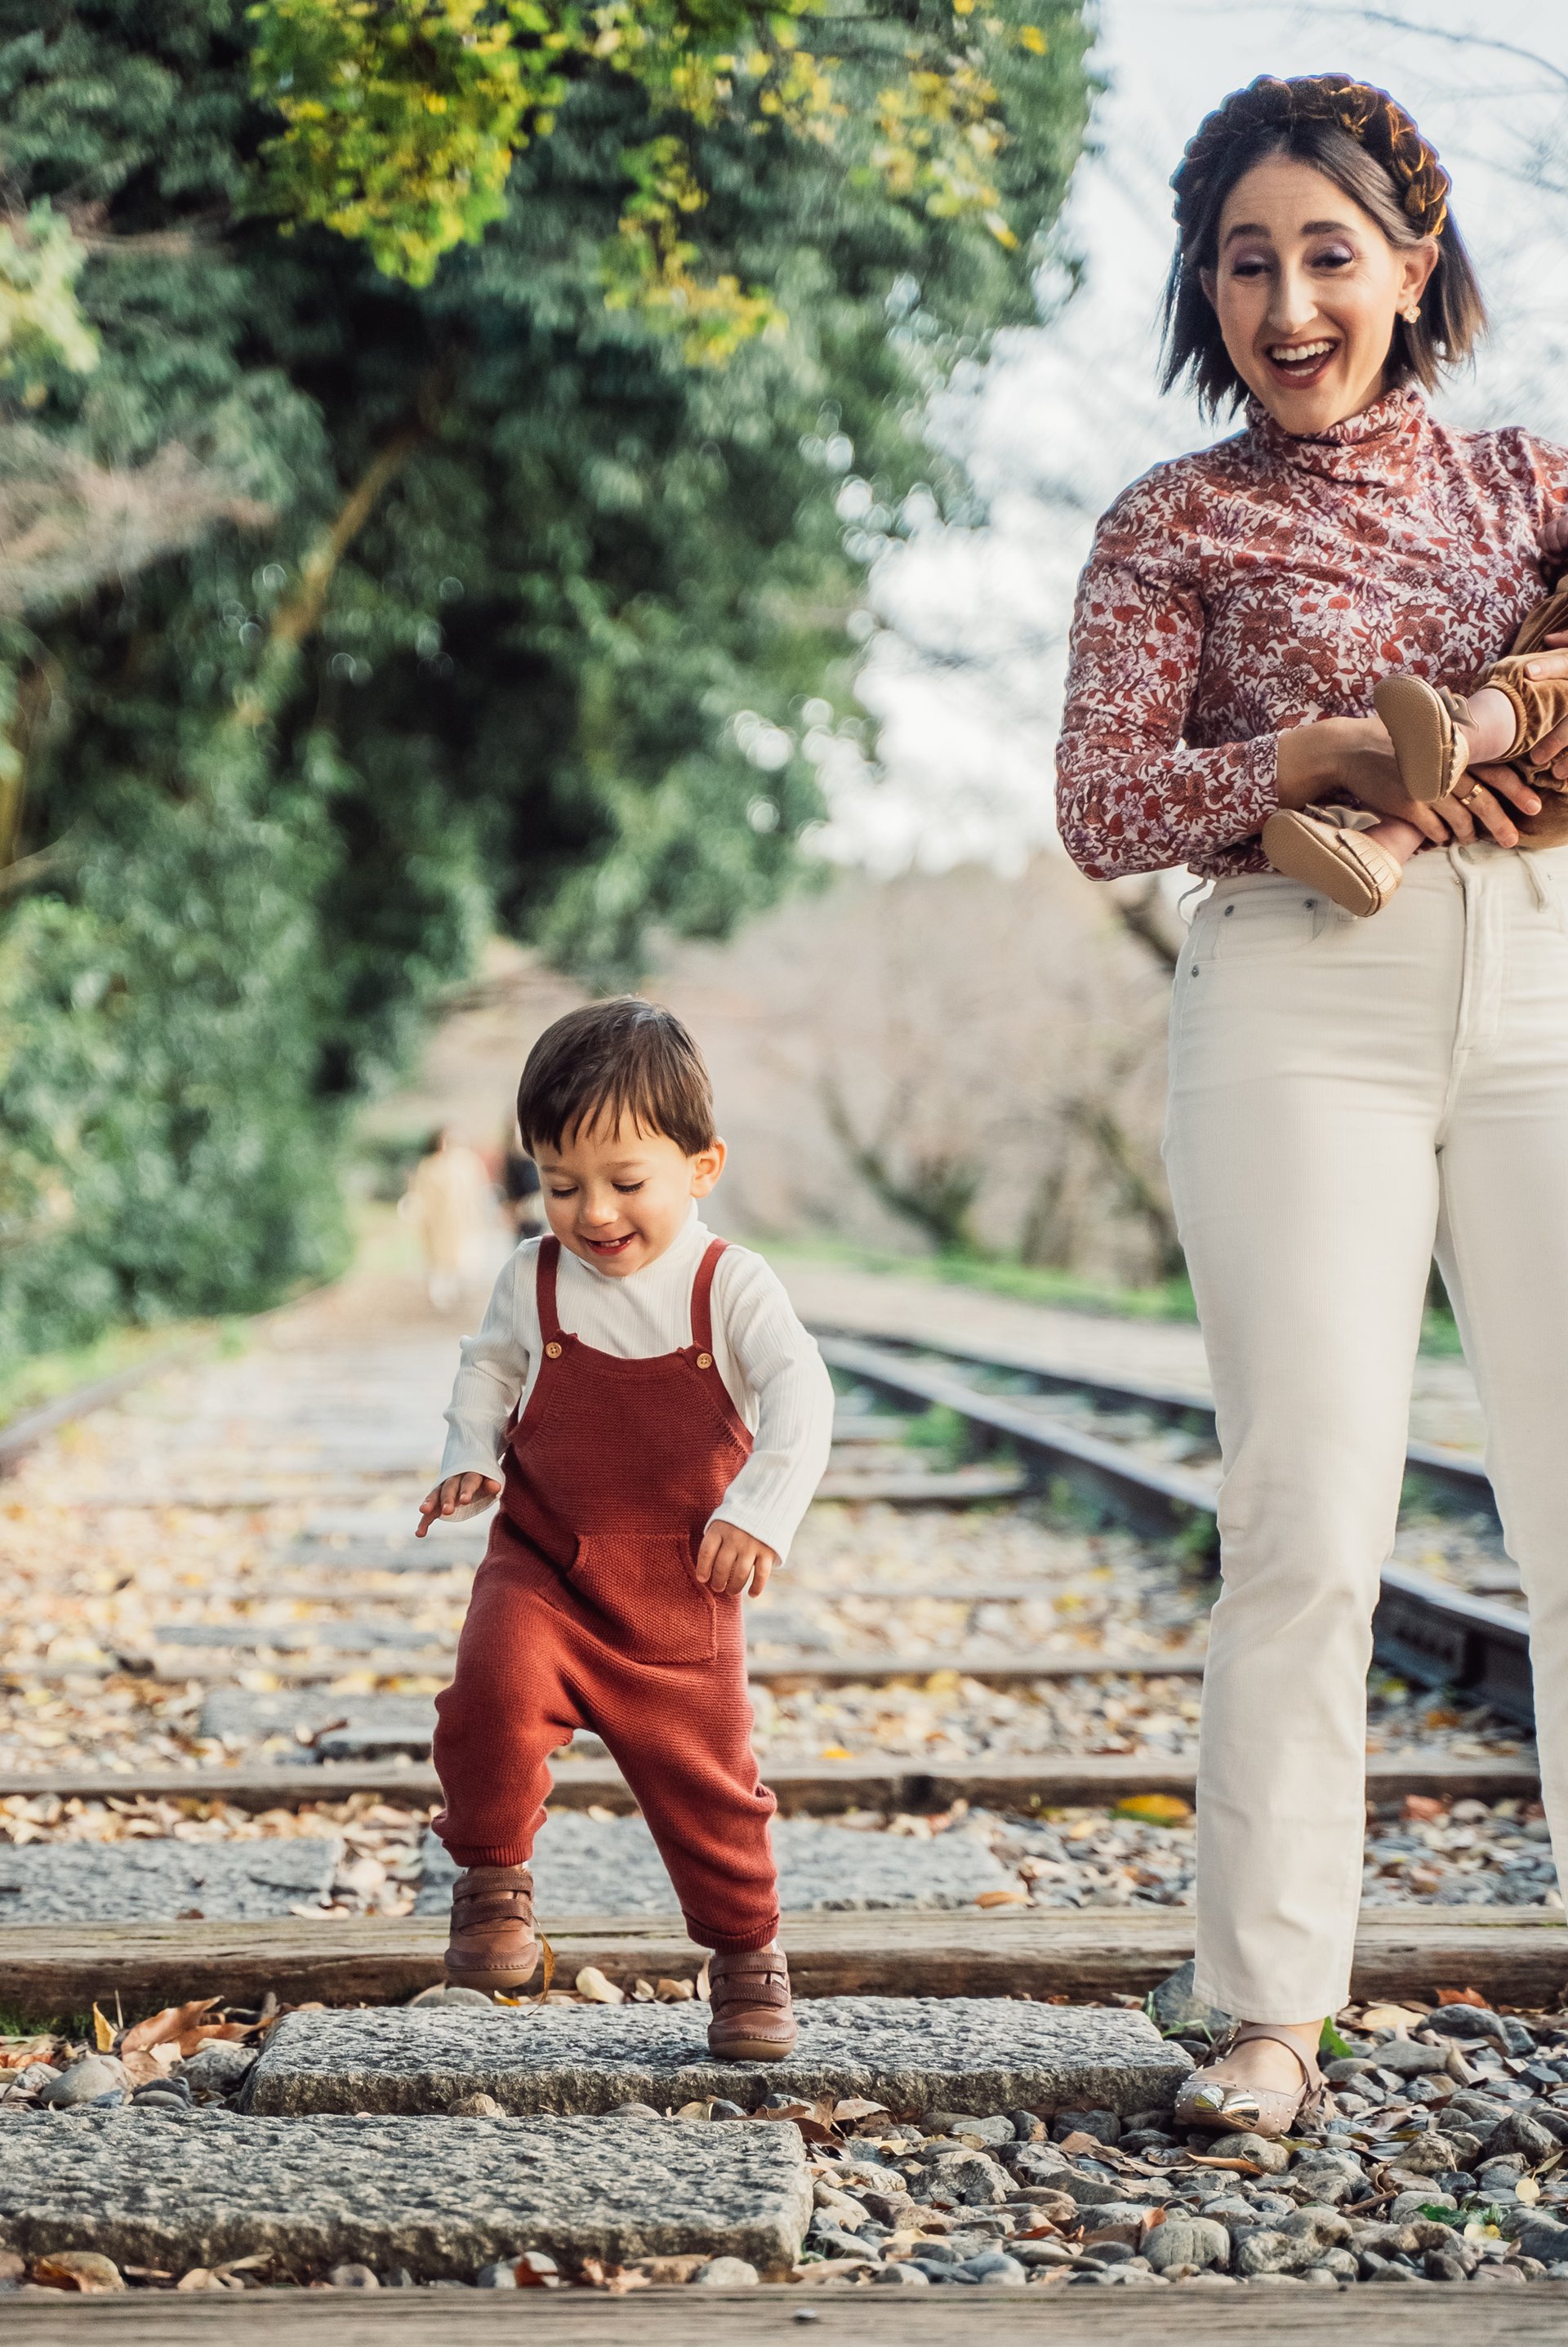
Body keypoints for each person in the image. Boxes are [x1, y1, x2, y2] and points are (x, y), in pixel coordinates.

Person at [1057, 72, 1568, 2135]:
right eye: (1245, 260)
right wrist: (1321, 762)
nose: (1287, 300)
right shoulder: (1167, 522)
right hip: (1296, 1003)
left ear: (1411, 265)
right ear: (1203, 283)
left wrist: (1516, 711)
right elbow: (1100, 800)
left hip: (1544, 972)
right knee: (1306, 1516)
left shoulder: (1530, 489)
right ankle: (1270, 2003)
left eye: (1327, 253)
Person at [414, 997, 835, 2059]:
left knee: (713, 1793)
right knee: (487, 1703)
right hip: (544, 1565)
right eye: (561, 1185)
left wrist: (760, 1510)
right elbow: (489, 1368)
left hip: (680, 1591)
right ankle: (494, 1883)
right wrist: (470, 1452)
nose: (594, 1212)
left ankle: (747, 1957)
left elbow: (803, 1400)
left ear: (702, 1166)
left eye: (625, 1182)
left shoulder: (728, 1285)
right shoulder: (533, 1277)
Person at [399, 1128, 496, 1311]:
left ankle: (457, 1289)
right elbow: (420, 1193)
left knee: (462, 1255)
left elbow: (476, 1190)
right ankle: (439, 1292)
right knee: (438, 1257)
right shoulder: (429, 1166)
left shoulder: (467, 1163)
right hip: (437, 1220)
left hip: (461, 1219)